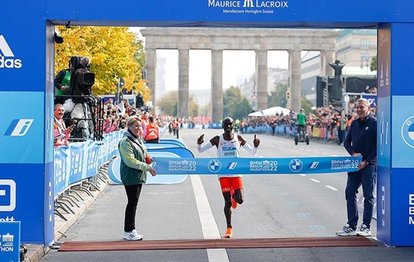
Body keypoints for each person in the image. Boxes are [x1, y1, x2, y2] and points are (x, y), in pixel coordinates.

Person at [196, 116, 260, 238]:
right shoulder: (217, 139)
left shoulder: (238, 138)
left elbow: (252, 152)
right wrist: (199, 144)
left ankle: (234, 197)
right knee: (227, 202)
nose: (228, 127)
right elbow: (200, 150)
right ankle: (229, 228)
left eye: (230, 125)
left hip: (236, 173)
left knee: (239, 200)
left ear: (233, 126)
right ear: (223, 126)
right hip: (223, 175)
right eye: (226, 125)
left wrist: (256, 146)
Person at [336, 98, 377, 237]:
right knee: (349, 192)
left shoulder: (374, 123)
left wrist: (365, 161)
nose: (359, 109)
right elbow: (346, 142)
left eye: (362, 107)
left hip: (368, 165)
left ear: (368, 108)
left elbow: (378, 147)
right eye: (357, 107)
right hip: (354, 165)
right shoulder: (353, 123)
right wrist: (353, 153)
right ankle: (351, 225)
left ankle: (366, 226)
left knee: (368, 195)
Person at [118, 116, 156, 241]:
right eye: (135, 126)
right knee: (132, 203)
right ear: (128, 126)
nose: (138, 128)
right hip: (130, 176)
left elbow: (143, 152)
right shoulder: (125, 141)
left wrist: (147, 157)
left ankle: (130, 230)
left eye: (140, 126)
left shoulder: (137, 139)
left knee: (133, 202)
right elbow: (130, 161)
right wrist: (147, 167)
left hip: (138, 175)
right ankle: (129, 231)